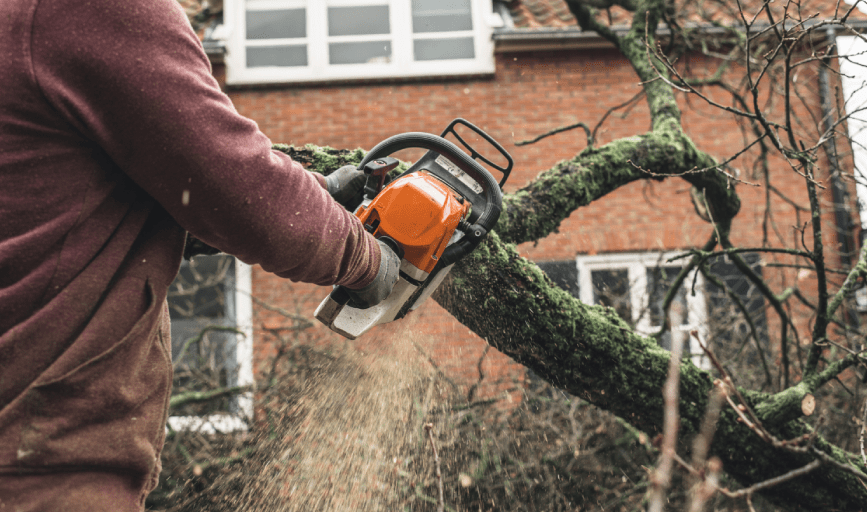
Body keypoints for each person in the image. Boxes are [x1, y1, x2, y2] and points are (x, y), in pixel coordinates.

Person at [0, 0, 399, 509]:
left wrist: (318, 193)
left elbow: (73, 210)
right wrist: (368, 261)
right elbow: (234, 188)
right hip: (40, 470)